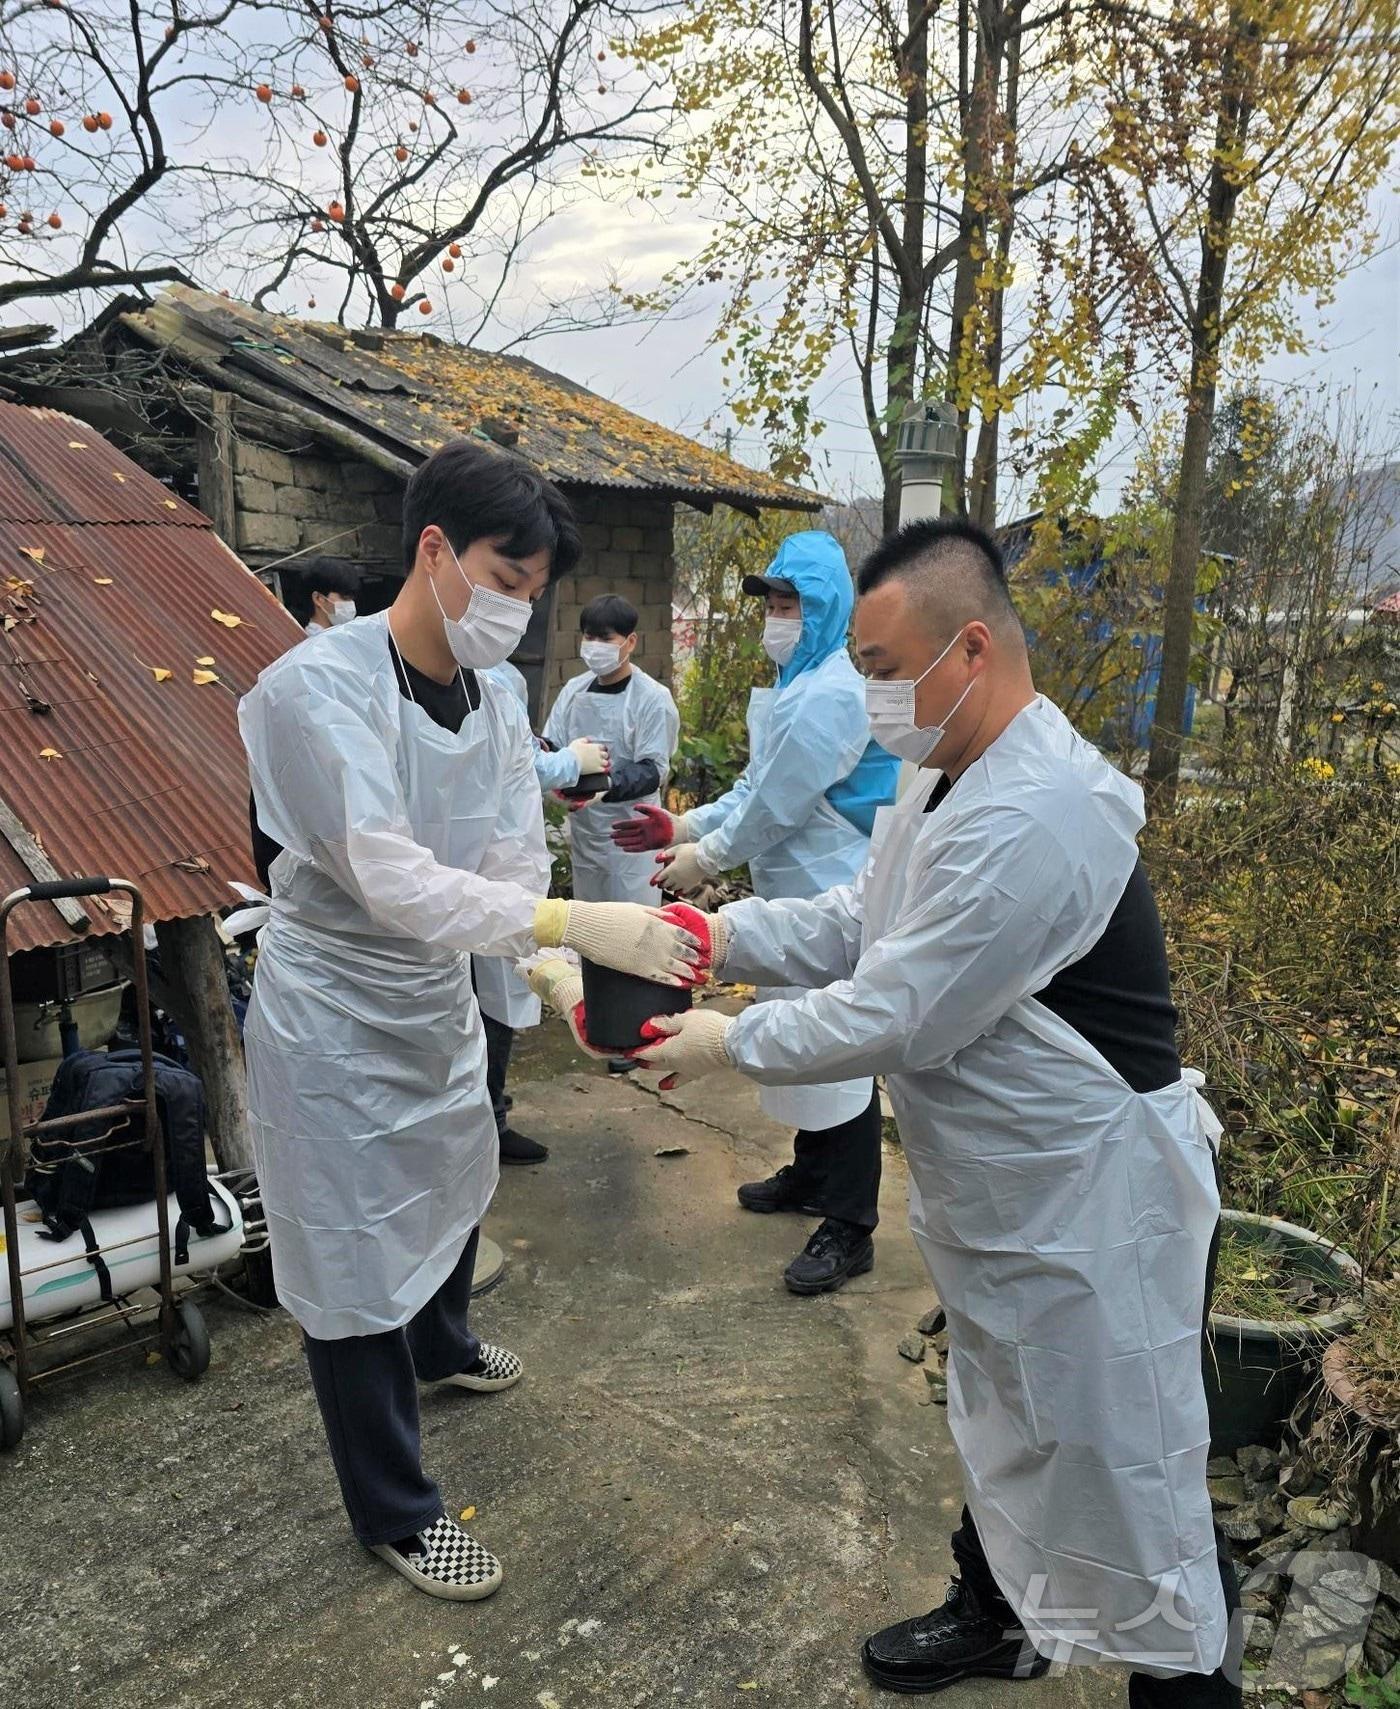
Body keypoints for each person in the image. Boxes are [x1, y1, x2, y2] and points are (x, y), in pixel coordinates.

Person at [613, 516, 1242, 1703]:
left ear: (969, 648)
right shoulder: (943, 771)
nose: (869, 695)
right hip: (1015, 1198)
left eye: (883, 669)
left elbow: (900, 1006)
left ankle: (1187, 1690)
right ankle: (996, 1612)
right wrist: (719, 931)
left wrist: (725, 1034)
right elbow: (864, 918)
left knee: (1130, 1480)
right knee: (1008, 1420)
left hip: (1098, 1209)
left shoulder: (1039, 812)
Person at [239, 439, 701, 1602]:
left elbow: (504, 848)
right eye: (505, 578)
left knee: (451, 1173)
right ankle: (396, 1506)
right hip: (337, 1007)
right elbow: (388, 878)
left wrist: (549, 969)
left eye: (533, 593)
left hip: (433, 990)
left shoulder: (496, 697)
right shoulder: (316, 687)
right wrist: (574, 924)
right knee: (350, 1249)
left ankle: (440, 1342)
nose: (518, 610)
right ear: (434, 549)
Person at [612, 531, 900, 1295]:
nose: (777, 617)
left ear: (827, 607)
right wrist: (683, 827)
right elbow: (754, 789)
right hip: (793, 887)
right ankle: (811, 1174)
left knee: (838, 1054)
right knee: (802, 1047)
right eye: (771, 603)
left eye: (790, 604)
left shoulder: (834, 692)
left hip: (831, 888)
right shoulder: (800, 686)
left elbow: (774, 805)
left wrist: (703, 859)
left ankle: (851, 1224)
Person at [474, 659, 610, 1165]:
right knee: (496, 1000)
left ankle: (486, 1106)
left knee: (491, 996)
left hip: (494, 867)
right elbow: (522, 759)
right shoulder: (490, 680)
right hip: (498, 875)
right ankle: (488, 1121)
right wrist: (573, 761)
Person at [543, 594, 681, 908]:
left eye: (605, 638)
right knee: (591, 931)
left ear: (630, 642)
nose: (594, 646)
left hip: (633, 837)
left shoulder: (652, 699)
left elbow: (652, 769)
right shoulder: (574, 691)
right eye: (589, 637)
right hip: (586, 834)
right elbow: (554, 744)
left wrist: (606, 786)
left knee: (634, 934)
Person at [279, 554, 360, 635]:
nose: (350, 604)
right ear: (318, 598)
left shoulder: (342, 637)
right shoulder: (310, 642)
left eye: (351, 598)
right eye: (344, 597)